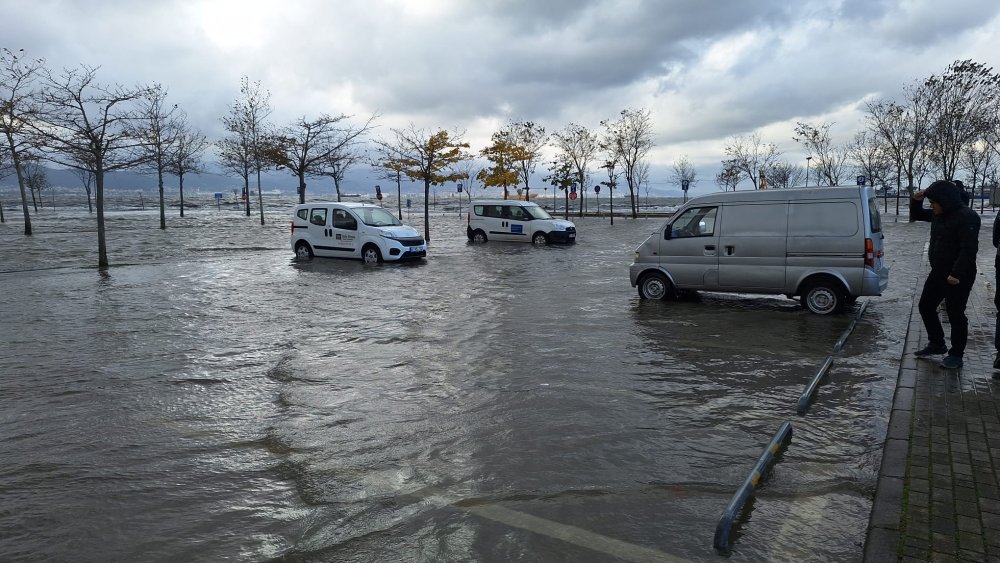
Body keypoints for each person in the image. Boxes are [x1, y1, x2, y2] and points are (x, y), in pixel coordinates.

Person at [910, 180, 981, 369]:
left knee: (955, 313)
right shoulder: (939, 214)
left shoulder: (968, 216)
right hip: (939, 271)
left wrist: (956, 274)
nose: (931, 206)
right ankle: (937, 344)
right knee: (926, 306)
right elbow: (917, 215)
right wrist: (917, 200)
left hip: (959, 274)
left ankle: (956, 354)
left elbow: (969, 249)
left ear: (945, 200)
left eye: (933, 202)